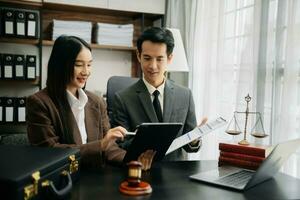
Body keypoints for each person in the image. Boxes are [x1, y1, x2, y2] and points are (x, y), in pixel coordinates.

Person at [26, 35, 155, 170]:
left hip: (97, 178)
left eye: (89, 64)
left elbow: (109, 148)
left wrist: (132, 161)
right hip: (64, 180)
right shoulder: (39, 103)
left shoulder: (96, 101)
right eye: (79, 64)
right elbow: (49, 151)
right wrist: (100, 145)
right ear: (60, 65)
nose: (86, 72)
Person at [112, 27, 206, 161]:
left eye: (159, 59)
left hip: (175, 174)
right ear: (139, 56)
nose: (153, 66)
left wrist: (195, 139)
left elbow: (189, 145)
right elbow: (120, 144)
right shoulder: (122, 98)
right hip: (139, 172)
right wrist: (142, 141)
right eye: (147, 58)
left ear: (169, 58)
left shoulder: (185, 95)